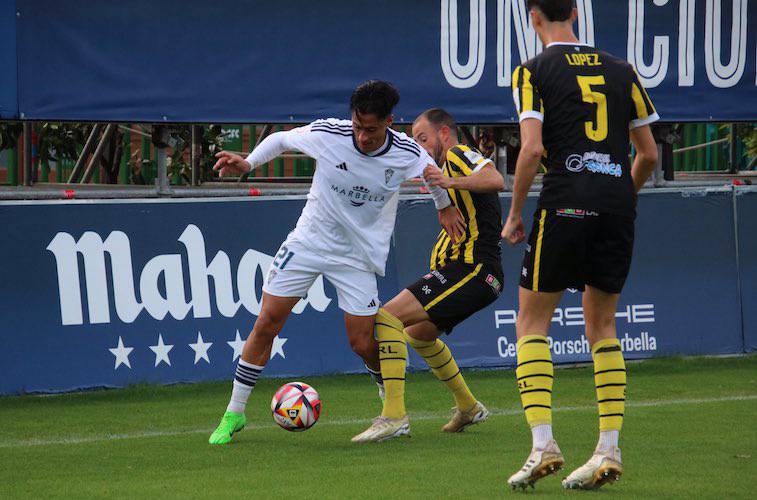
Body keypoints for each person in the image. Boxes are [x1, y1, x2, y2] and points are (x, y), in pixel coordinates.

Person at [207, 80, 464, 444]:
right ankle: (234, 414)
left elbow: (431, 175)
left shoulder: (407, 152)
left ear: (389, 121)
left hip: (357, 257)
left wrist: (445, 206)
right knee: (267, 322)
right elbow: (281, 140)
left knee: (362, 343)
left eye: (371, 130)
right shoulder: (330, 133)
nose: (361, 137)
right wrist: (248, 162)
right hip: (309, 242)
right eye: (358, 127)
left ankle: (389, 408)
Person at [500, 0, 659, 490]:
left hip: (565, 201)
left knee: (531, 320)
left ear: (533, 17)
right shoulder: (621, 69)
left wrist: (515, 213)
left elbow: (530, 148)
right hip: (616, 206)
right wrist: (617, 198)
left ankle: (543, 443)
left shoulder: (532, 71)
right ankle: (608, 450)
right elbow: (649, 153)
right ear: (575, 13)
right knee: (604, 325)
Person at [351, 108, 506, 443]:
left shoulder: (458, 154)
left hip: (473, 270)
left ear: (445, 134)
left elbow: (496, 180)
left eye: (424, 138)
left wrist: (450, 181)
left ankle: (393, 416)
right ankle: (469, 407)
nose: (420, 146)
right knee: (419, 335)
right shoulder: (442, 168)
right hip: (473, 273)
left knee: (386, 318)